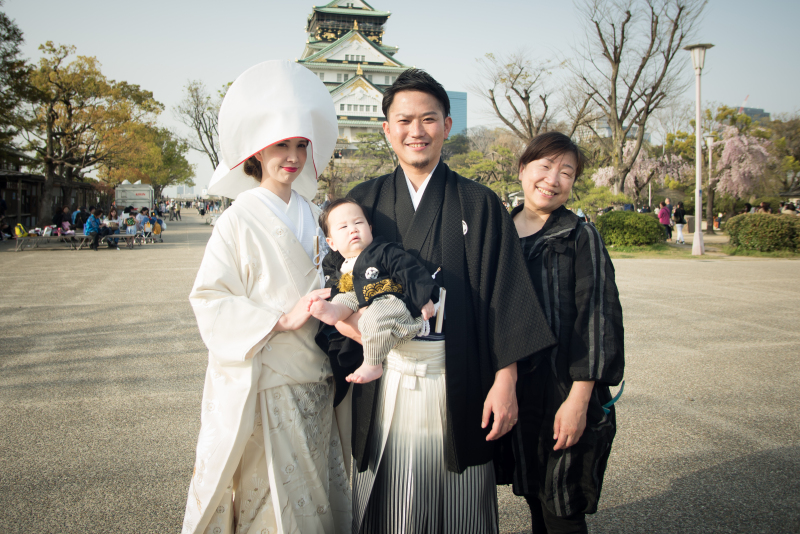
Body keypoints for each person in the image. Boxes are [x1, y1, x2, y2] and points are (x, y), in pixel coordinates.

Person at [319, 68, 555, 533]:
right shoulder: (363, 202)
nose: (416, 131)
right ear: (386, 130)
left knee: (461, 504)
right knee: (386, 507)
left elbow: (504, 295)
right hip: (384, 375)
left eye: (429, 119)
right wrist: (357, 328)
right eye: (404, 121)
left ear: (447, 126)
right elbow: (335, 279)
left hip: (458, 375)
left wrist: (505, 383)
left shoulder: (478, 202)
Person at [181, 60, 350, 534]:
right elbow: (210, 298)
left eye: (301, 145)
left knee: (315, 491)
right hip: (269, 376)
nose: (293, 156)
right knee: (274, 502)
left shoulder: (317, 215)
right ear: (257, 150)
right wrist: (279, 318)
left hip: (319, 376)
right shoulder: (237, 219)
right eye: (281, 145)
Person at [509, 132, 624, 534]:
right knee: (534, 497)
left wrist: (579, 400)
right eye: (544, 167)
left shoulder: (579, 235)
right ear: (523, 170)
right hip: (516, 388)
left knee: (563, 503)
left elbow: (597, 317)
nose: (553, 179)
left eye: (566, 172)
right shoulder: (500, 234)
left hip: (564, 388)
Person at [310, 198, 439, 384]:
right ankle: (333, 311)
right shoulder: (341, 267)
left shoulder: (384, 251)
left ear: (370, 228)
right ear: (331, 244)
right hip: (363, 297)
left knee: (371, 317)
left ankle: (373, 364)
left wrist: (423, 298)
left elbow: (410, 270)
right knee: (344, 297)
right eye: (343, 227)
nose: (353, 229)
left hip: (391, 301)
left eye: (358, 222)